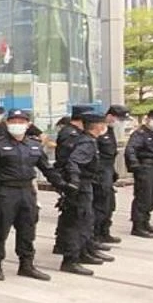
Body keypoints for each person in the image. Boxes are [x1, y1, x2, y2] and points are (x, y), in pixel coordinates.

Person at [0, 109, 66, 281]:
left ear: (28, 125)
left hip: (27, 192)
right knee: (0, 229)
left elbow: (46, 168)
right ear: (7, 124)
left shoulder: (34, 146)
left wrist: (62, 185)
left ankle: (26, 264)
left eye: (21, 122)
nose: (17, 125)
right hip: (5, 192)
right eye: (13, 121)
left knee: (27, 228)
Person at [57, 112, 114, 276]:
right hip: (81, 187)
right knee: (78, 222)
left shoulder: (88, 140)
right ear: (98, 126)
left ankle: (84, 252)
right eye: (103, 124)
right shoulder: (86, 142)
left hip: (87, 184)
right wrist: (74, 181)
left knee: (86, 221)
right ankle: (70, 260)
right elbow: (73, 162)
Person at [52, 105, 95, 255]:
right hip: (71, 178)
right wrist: (71, 180)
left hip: (77, 177)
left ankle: (82, 247)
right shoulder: (70, 133)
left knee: (78, 215)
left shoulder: (78, 133)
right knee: (75, 215)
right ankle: (69, 249)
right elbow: (68, 159)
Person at [125, 109, 153, 238]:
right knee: (143, 196)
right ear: (147, 118)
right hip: (145, 167)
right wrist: (135, 166)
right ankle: (138, 226)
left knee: (152, 198)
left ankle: (145, 222)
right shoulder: (140, 133)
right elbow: (130, 150)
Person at [93, 105, 130, 244]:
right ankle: (95, 235)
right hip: (99, 173)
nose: (121, 122)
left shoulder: (109, 130)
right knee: (99, 205)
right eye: (119, 119)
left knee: (109, 205)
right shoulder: (98, 130)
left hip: (108, 171)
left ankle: (104, 231)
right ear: (110, 116)